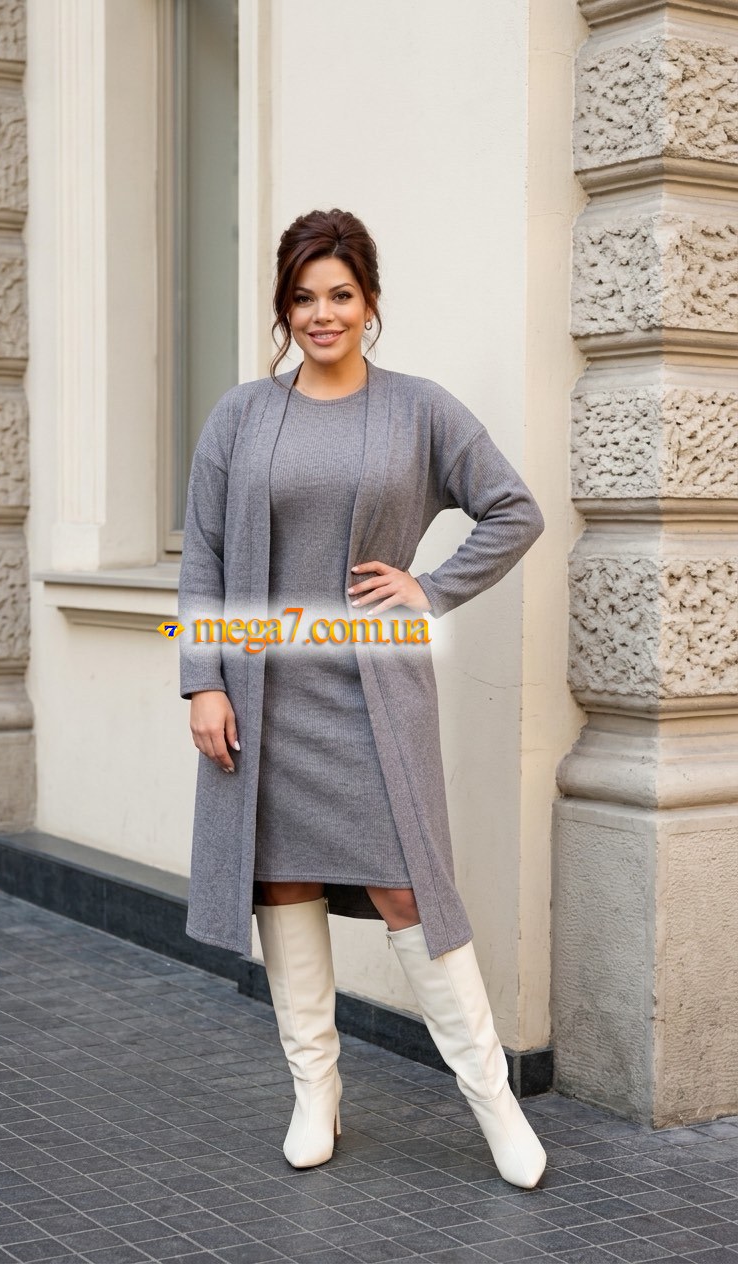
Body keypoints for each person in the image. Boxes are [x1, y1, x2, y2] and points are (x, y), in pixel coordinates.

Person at [178, 208, 547, 1188]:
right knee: (281, 881)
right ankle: (316, 1093)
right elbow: (203, 554)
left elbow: (513, 509)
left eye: (339, 294)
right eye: (303, 297)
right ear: (283, 306)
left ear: (369, 301)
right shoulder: (240, 417)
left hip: (372, 694)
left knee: (408, 888)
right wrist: (203, 679)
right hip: (263, 695)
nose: (321, 313)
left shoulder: (417, 410)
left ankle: (493, 1103)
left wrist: (431, 587)